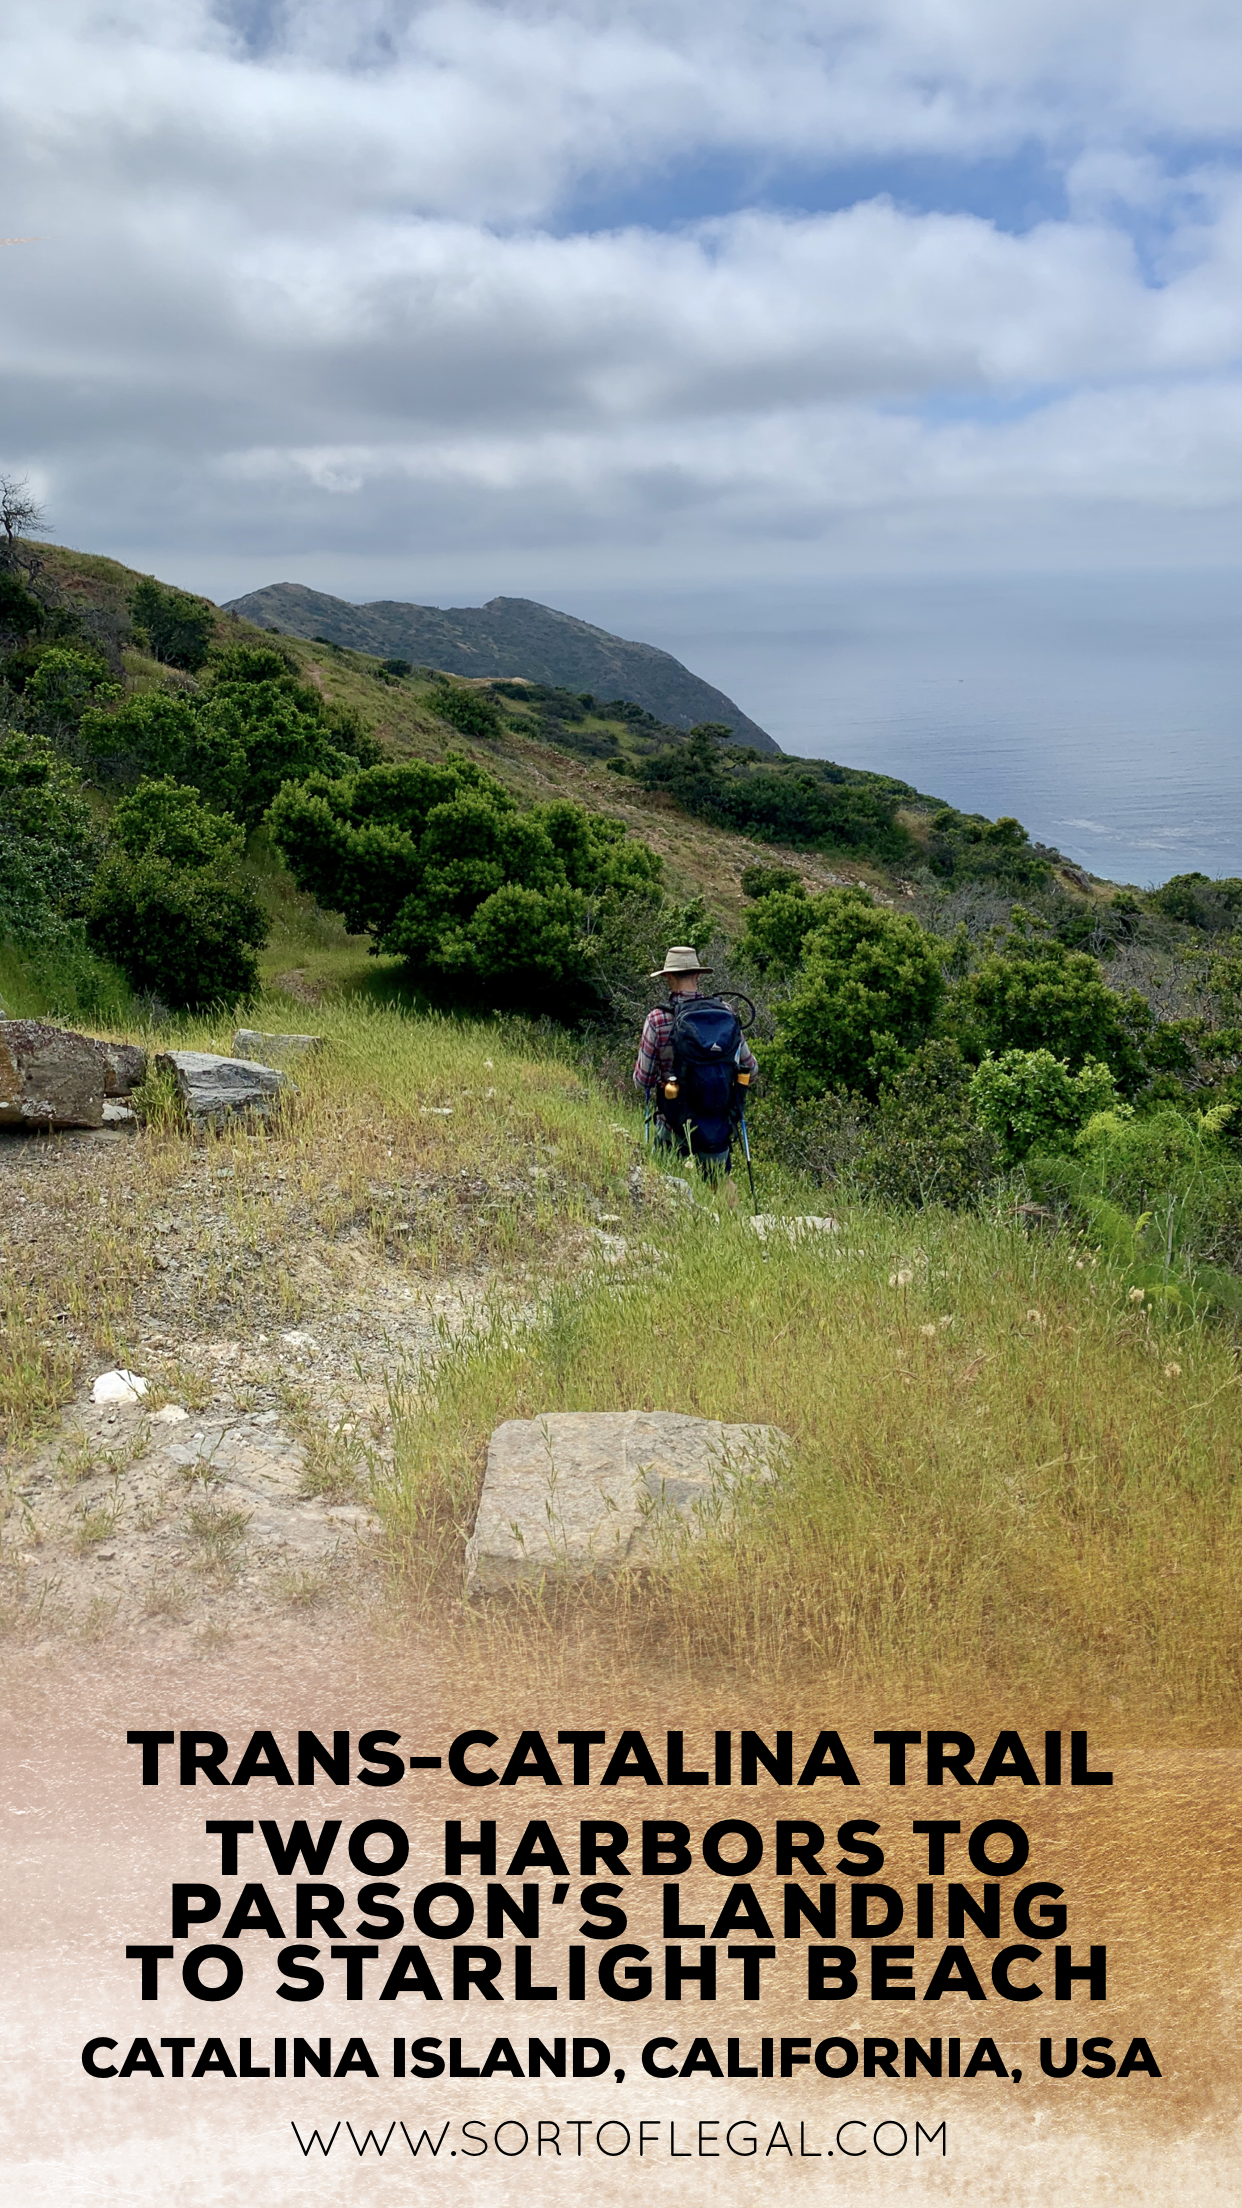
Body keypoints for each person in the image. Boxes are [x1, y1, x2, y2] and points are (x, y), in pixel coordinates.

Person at [633, 945, 758, 1190]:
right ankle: (734, 1225)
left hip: (673, 1122)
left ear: (668, 977)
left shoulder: (657, 1019)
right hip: (715, 1122)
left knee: (664, 1186)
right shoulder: (725, 1013)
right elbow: (750, 1068)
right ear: (698, 975)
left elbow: (642, 1080)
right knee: (720, 1184)